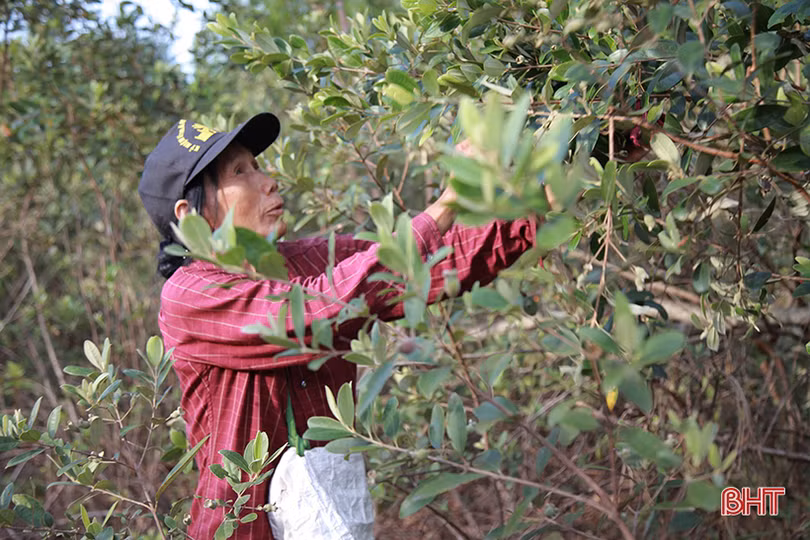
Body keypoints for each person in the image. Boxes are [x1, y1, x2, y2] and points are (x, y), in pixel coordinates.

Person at [138, 112, 540, 539]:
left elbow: (436, 260)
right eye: (240, 172)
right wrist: (444, 206)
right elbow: (310, 314)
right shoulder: (190, 296)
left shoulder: (305, 261)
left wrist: (547, 187)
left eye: (258, 166)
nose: (269, 181)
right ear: (191, 216)